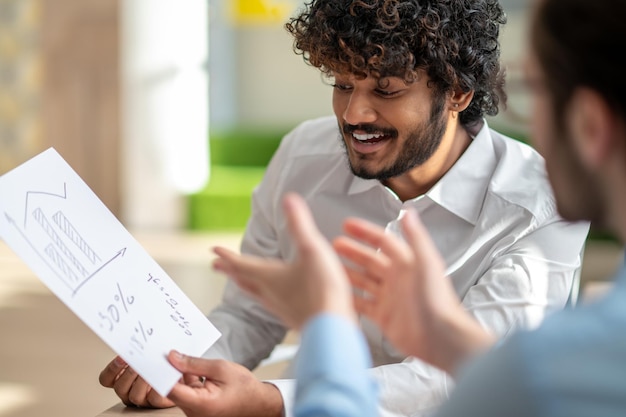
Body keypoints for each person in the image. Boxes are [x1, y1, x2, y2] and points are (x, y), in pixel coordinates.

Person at [98, 1, 590, 416]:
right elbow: (250, 314)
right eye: (342, 84)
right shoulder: (302, 158)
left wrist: (272, 401)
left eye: (386, 90)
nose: (354, 114)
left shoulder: (537, 208)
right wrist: (177, 367)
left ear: (458, 92)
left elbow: (463, 378)